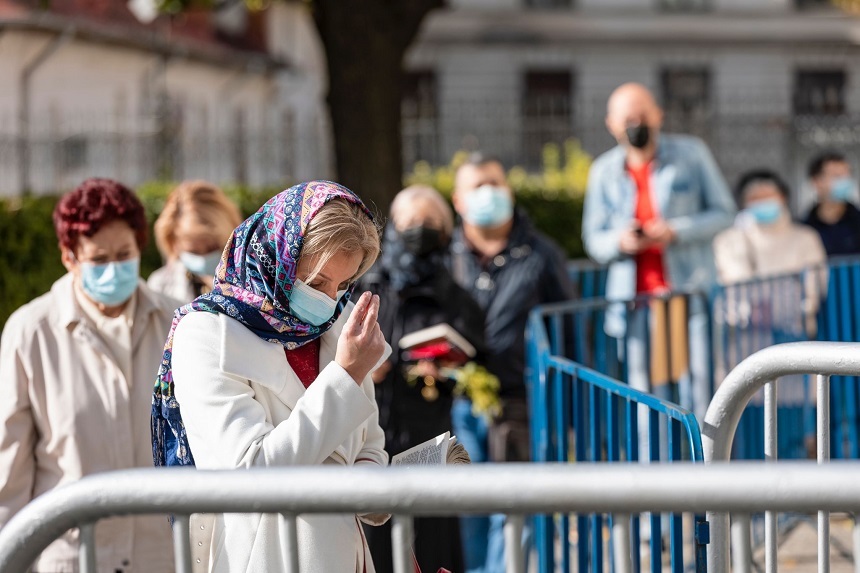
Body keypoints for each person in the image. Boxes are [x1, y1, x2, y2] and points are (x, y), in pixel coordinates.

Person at [151, 181, 390, 573]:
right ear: (275, 256)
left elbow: (371, 445)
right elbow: (252, 471)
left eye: (344, 284)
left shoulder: (338, 321)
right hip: (262, 559)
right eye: (315, 283)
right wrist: (346, 375)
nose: (329, 299)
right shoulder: (206, 332)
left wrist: (369, 488)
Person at [0, 178, 179, 572]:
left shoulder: (178, 323)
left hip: (163, 557)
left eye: (124, 254)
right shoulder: (31, 331)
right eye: (99, 259)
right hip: (71, 559)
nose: (114, 269)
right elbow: (9, 468)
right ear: (69, 257)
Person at [449, 153, 575, 573]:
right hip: (459, 403)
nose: (488, 193)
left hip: (521, 401)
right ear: (457, 200)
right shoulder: (446, 257)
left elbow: (569, 330)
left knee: (513, 510)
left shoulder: (541, 254)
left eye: (495, 183)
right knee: (468, 507)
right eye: (476, 186)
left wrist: (567, 406)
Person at [582, 82, 736, 420]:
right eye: (626, 118)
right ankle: (653, 469)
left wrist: (675, 231)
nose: (635, 124)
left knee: (699, 390)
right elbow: (593, 239)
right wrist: (622, 242)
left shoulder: (691, 154)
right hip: (634, 302)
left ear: (658, 115)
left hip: (688, 294)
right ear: (611, 124)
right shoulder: (603, 171)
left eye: (641, 116)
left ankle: (703, 468)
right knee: (644, 395)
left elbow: (724, 212)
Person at [361, 185, 486, 573]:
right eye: (410, 222)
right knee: (375, 543)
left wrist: (446, 371)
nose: (420, 229)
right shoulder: (368, 287)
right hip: (372, 435)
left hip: (429, 435)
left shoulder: (458, 298)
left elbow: (475, 361)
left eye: (430, 222)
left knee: (432, 545)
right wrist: (365, 369)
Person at [148, 180, 243, 302]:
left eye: (212, 248)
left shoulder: (253, 282)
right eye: (193, 252)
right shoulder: (160, 285)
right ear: (174, 244)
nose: (204, 259)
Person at [804, 151, 860, 257]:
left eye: (847, 175)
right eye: (837, 176)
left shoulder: (857, 221)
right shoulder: (805, 229)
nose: (844, 181)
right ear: (816, 182)